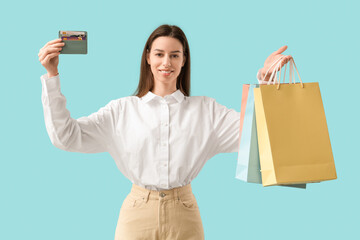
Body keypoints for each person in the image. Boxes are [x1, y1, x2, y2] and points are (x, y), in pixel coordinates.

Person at [38, 24, 292, 240]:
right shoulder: (121, 111)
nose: (166, 62)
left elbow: (258, 134)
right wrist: (52, 75)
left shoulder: (206, 111)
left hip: (184, 215)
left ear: (184, 60)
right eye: (159, 54)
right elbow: (66, 136)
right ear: (148, 57)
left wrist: (266, 82)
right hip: (137, 214)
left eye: (174, 55)